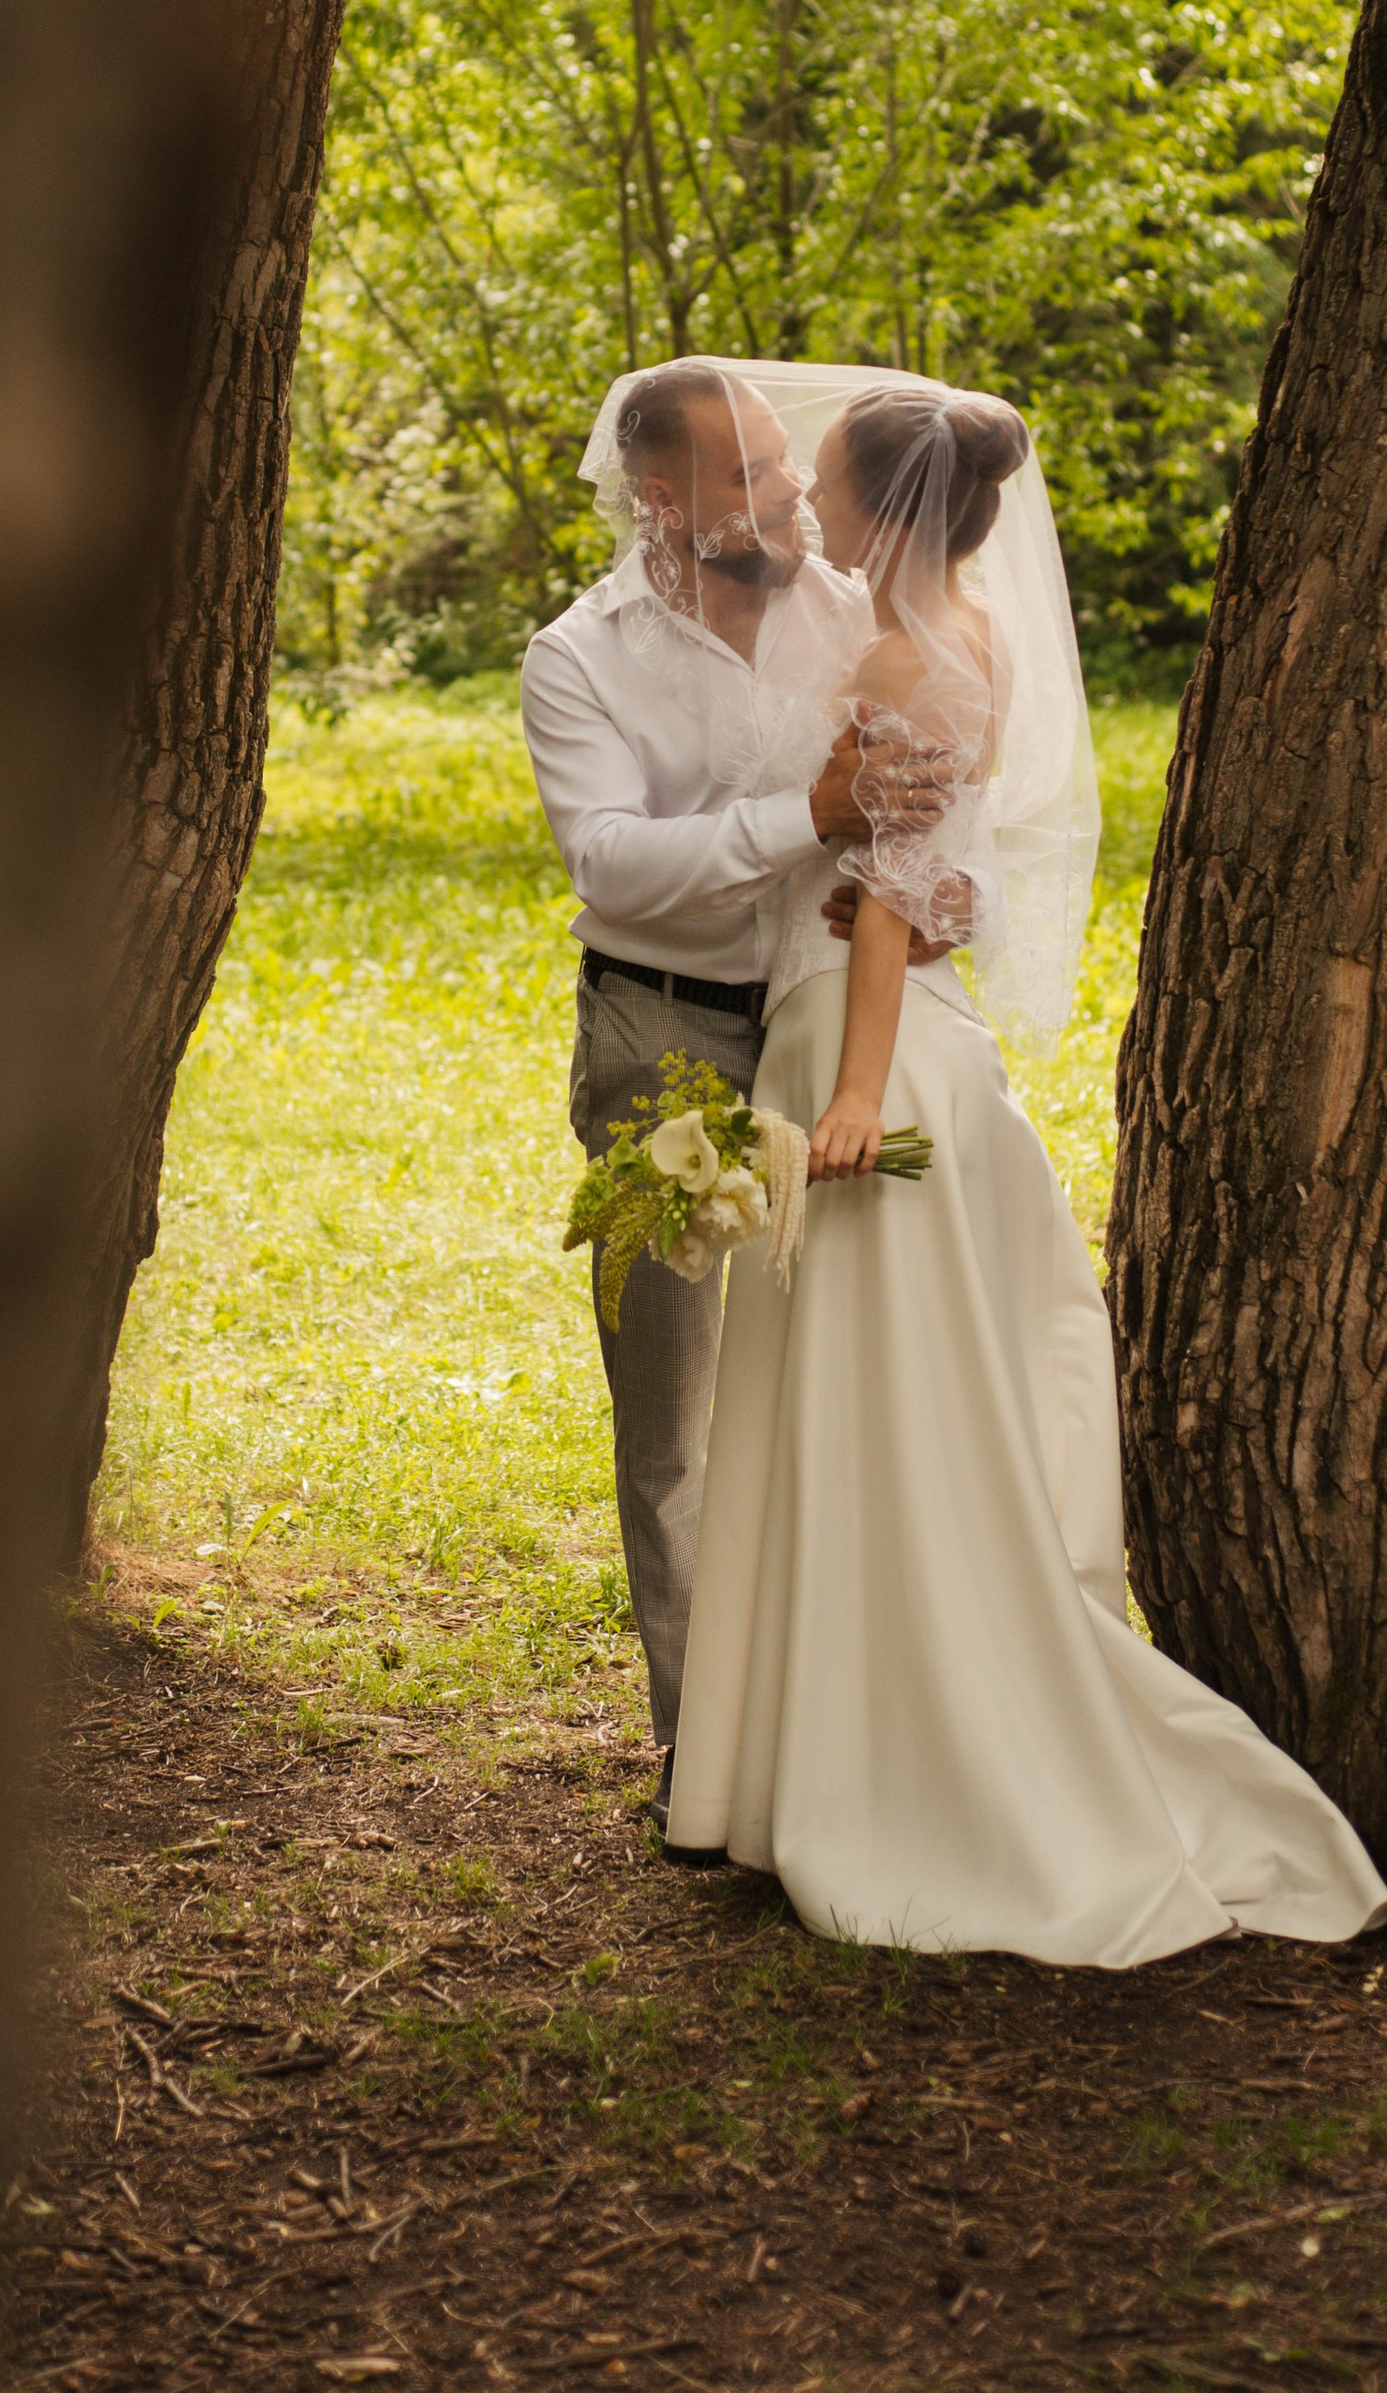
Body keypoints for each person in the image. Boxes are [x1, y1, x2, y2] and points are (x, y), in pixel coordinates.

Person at [662, 367, 1387, 1965]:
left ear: (884, 503)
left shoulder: (914, 650)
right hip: (878, 1022)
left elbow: (902, 886)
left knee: (880, 1413)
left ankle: (904, 1760)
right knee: (853, 1402)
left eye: (830, 479)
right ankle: (810, 1755)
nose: (814, 499)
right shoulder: (954, 628)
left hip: (875, 1048)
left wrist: (854, 1091)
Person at [520, 363, 955, 1802]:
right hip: (662, 1041)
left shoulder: (851, 608)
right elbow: (610, 865)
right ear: (664, 501)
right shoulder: (578, 658)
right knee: (681, 1418)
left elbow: (942, 807)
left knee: (837, 1390)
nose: (786, 499)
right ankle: (706, 1764)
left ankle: (843, 1727)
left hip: (827, 1033)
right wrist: (806, 815)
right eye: (748, 479)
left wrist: (941, 895)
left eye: (782, 467)